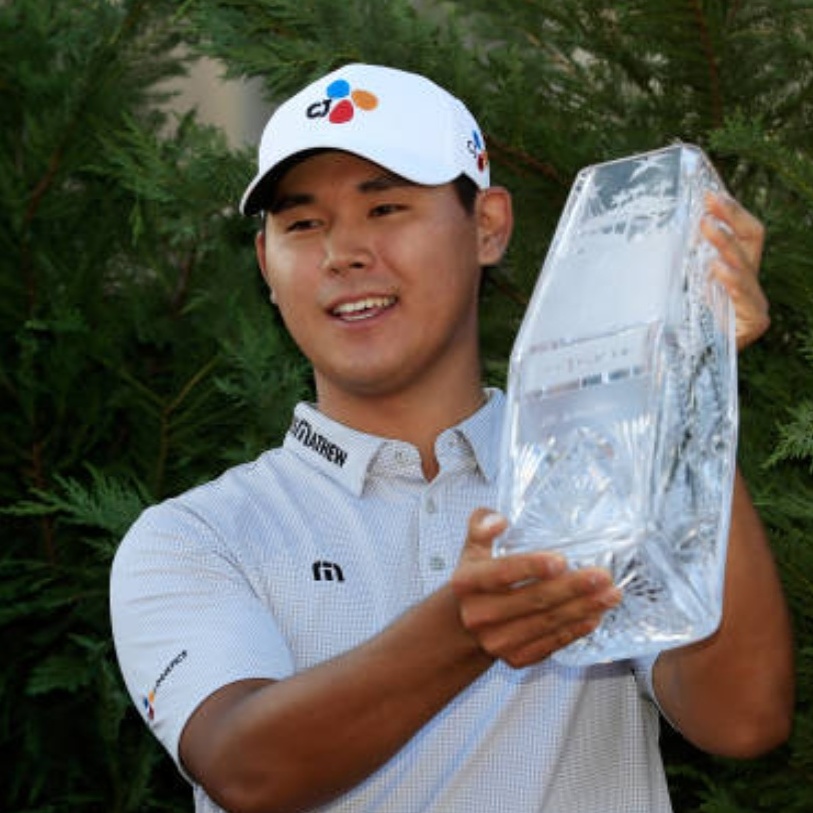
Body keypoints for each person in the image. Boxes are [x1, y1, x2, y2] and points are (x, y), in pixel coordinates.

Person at [110, 63, 794, 813]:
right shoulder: (195, 536)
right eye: (302, 224)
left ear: (487, 225)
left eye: (386, 207)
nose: (343, 252)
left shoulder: (603, 462)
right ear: (265, 265)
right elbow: (246, 769)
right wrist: (465, 627)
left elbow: (742, 717)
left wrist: (691, 377)